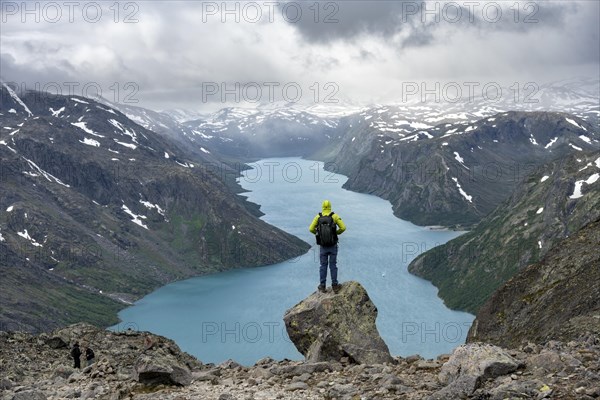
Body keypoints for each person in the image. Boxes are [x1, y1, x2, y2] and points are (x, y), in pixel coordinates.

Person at [309, 200, 346, 293]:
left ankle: (322, 285)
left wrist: (318, 235)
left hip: (323, 246)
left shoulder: (318, 217)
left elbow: (311, 229)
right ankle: (335, 285)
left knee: (323, 265)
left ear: (322, 206)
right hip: (333, 245)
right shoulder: (334, 216)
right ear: (330, 206)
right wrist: (335, 234)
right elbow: (343, 228)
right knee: (333, 265)